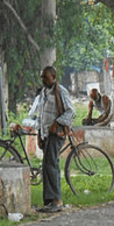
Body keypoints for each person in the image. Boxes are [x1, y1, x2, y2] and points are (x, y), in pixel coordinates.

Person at [35, 66, 75, 213]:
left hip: (56, 133)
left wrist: (57, 123)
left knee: (51, 164)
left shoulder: (61, 91)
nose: (43, 80)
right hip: (45, 133)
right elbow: (41, 115)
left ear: (53, 76)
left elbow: (71, 112)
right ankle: (49, 200)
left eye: (45, 77)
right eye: (42, 77)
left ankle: (57, 200)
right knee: (46, 166)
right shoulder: (44, 92)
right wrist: (39, 134)